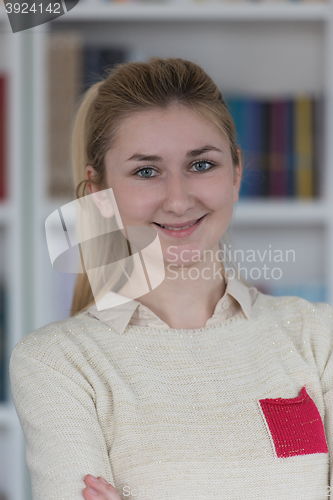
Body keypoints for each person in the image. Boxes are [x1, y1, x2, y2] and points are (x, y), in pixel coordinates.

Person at [9, 57, 333, 500]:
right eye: (146, 171)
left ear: (236, 172)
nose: (178, 200)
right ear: (99, 193)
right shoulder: (58, 364)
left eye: (201, 165)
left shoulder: (319, 338)